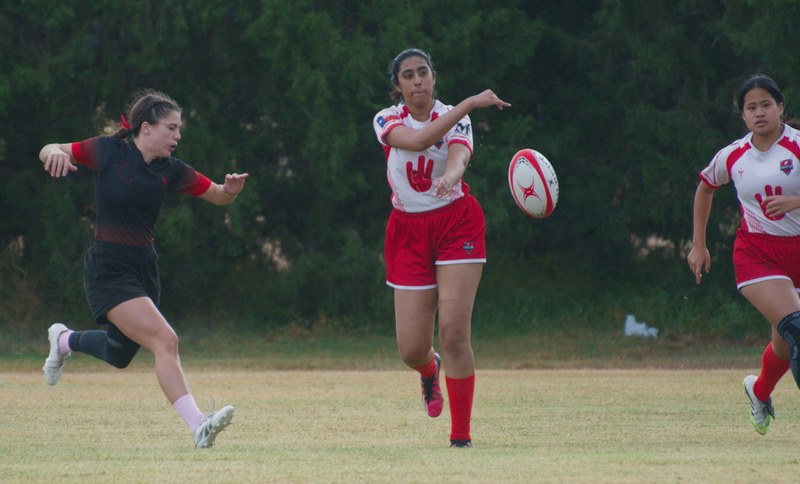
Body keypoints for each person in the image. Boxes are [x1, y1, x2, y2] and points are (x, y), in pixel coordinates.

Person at [39, 89, 247, 448]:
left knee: (119, 354)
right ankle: (199, 425)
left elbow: (215, 194)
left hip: (144, 268)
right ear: (146, 128)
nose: (178, 136)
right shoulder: (106, 150)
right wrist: (54, 152)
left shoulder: (172, 171)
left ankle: (63, 340)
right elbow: (50, 147)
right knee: (165, 340)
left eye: (179, 129)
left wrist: (229, 190)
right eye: (172, 127)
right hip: (109, 268)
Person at [372, 48, 510, 448]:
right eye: (408, 76)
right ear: (397, 86)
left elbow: (459, 155)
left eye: (423, 73)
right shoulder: (386, 118)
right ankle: (428, 371)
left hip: (457, 224)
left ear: (434, 77)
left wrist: (451, 176)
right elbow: (416, 141)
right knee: (411, 348)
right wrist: (470, 101)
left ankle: (461, 437)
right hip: (407, 232)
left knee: (453, 331)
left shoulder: (454, 117)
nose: (418, 81)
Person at [688, 74, 800, 436]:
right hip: (757, 255)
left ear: (781, 107)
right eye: (751, 107)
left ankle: (760, 390)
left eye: (766, 104)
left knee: (784, 346)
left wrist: (795, 202)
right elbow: (705, 189)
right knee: (797, 328)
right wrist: (699, 244)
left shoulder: (797, 146)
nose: (760, 112)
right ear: (743, 115)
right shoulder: (734, 155)